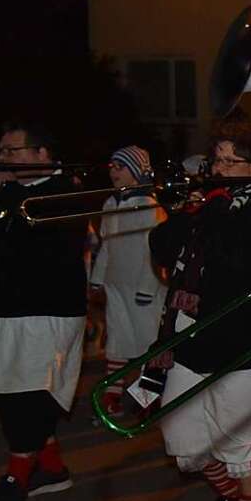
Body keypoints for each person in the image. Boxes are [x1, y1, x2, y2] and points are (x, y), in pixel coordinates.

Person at [148, 121, 251, 501]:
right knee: (182, 439)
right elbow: (161, 247)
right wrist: (187, 212)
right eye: (218, 159)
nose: (221, 168)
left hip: (249, 343)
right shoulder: (208, 206)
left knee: (237, 442)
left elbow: (247, 263)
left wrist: (211, 210)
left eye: (233, 161)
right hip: (194, 336)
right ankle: (231, 493)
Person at [0, 120, 88, 501]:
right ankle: (51, 468)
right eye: (1, 151)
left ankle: (17, 476)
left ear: (42, 155)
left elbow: (35, 247)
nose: (2, 159)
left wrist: (2, 193)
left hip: (43, 311)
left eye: (11, 151)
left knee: (30, 392)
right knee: (3, 389)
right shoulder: (2, 193)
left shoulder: (65, 192)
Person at [89, 146, 166, 417]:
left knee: (148, 343)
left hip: (142, 289)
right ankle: (113, 394)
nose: (113, 172)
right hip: (116, 287)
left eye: (119, 167)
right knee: (117, 341)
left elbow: (154, 251)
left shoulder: (149, 206)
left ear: (136, 172)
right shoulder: (111, 204)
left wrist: (148, 286)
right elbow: (107, 246)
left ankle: (149, 397)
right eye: (111, 166)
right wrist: (97, 280)